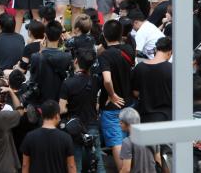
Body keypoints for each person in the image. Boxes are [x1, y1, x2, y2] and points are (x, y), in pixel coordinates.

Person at [59, 48, 105, 173]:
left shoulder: (68, 83)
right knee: (98, 162)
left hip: (75, 128)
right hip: (92, 125)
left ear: (75, 62)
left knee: (75, 164)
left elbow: (62, 109)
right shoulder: (95, 80)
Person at [97, 20, 134, 171]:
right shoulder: (129, 50)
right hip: (129, 103)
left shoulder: (105, 56)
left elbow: (107, 79)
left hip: (113, 106)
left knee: (117, 142)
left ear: (104, 35)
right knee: (128, 140)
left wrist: (112, 94)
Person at [21, 100, 76, 173]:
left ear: (42, 115)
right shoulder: (66, 138)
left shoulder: (30, 136)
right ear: (57, 116)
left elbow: (25, 164)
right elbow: (71, 166)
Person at [28, 20, 72, 103]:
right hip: (59, 99)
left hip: (41, 100)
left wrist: (41, 51)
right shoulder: (68, 56)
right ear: (60, 36)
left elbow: (33, 77)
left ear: (45, 35)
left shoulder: (36, 56)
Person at [132, 37, 173, 123]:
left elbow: (135, 92)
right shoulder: (172, 69)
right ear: (170, 52)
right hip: (166, 117)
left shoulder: (139, 67)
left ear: (156, 49)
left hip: (144, 117)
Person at [118, 107, 161, 173]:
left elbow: (126, 169)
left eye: (121, 123)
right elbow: (158, 161)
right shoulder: (153, 137)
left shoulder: (127, 142)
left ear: (127, 123)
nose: (119, 125)